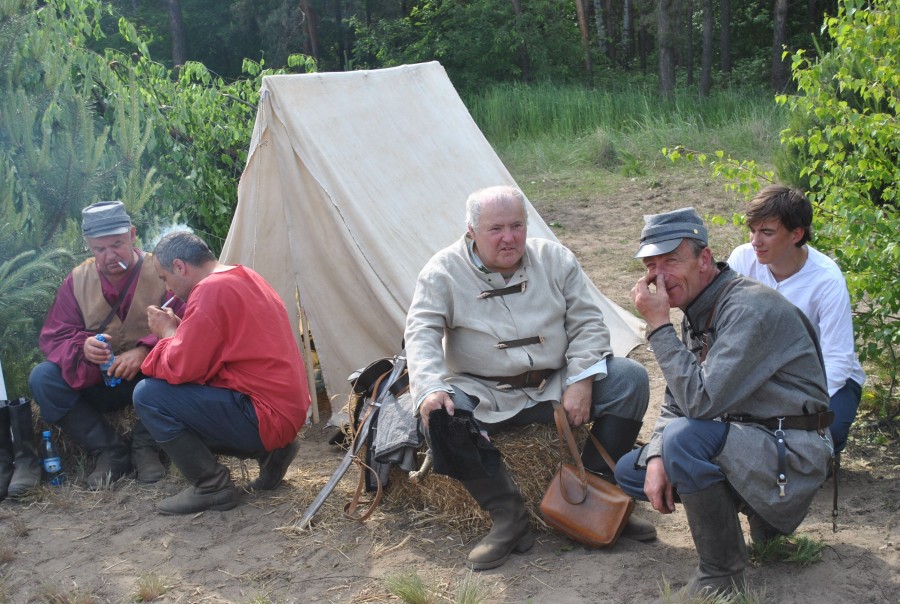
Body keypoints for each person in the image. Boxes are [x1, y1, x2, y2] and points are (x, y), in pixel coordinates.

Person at [404, 185, 654, 571]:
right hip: (483, 390)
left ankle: (597, 499)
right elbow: (420, 334)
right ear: (472, 230)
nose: (509, 238)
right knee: (441, 416)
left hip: (554, 382)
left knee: (629, 379)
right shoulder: (442, 271)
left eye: (516, 226)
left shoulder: (555, 259)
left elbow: (588, 323)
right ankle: (509, 519)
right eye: (496, 229)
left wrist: (581, 379)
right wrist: (431, 388)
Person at [616, 207, 832, 598]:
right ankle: (760, 519)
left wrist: (659, 327)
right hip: (753, 439)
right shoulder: (699, 306)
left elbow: (700, 402)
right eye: (651, 265)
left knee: (685, 441)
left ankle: (722, 576)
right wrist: (658, 456)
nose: (659, 276)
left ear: (704, 259)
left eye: (671, 260)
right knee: (633, 470)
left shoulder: (747, 309)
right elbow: (677, 401)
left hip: (793, 451)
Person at [133, 231, 310, 515]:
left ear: (179, 266)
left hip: (265, 415)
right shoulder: (243, 275)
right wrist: (179, 332)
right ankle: (273, 452)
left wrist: (166, 333)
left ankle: (211, 486)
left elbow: (180, 368)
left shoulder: (210, 290)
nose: (167, 289)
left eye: (165, 278)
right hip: (285, 410)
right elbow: (211, 354)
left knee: (148, 395)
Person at [29, 201, 183, 491]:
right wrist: (83, 347)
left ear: (132, 234)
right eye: (99, 249)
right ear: (88, 245)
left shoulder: (161, 270)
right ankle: (109, 451)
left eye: (117, 245)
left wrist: (145, 350)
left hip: (153, 376)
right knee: (42, 378)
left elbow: (187, 321)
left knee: (184, 363)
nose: (110, 256)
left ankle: (145, 447)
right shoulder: (76, 281)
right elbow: (55, 336)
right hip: (98, 379)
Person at [727, 185, 865, 456]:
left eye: (767, 232)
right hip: (761, 370)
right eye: (752, 230)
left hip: (818, 375)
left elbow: (838, 360)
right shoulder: (742, 260)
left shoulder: (826, 279)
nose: (755, 241)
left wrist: (791, 405)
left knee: (826, 433)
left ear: (796, 234)